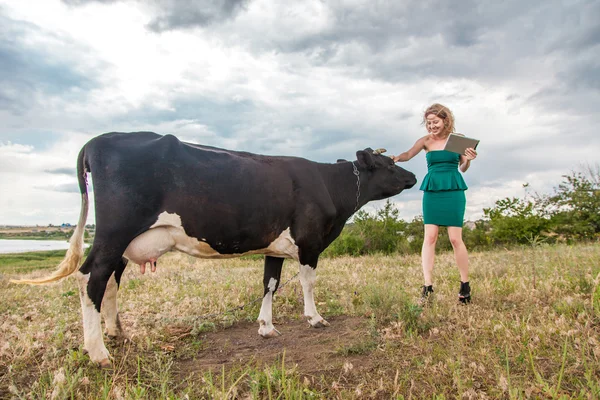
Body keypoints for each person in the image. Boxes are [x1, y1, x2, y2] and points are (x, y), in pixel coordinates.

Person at [392, 103, 477, 303]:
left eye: (435, 122)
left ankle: (465, 284)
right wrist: (396, 158)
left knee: (456, 239)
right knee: (430, 237)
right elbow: (408, 154)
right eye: (429, 123)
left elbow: (463, 167)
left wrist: (469, 159)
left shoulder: (457, 140)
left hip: (454, 189)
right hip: (432, 190)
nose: (432, 126)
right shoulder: (426, 141)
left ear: (445, 120)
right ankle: (428, 285)